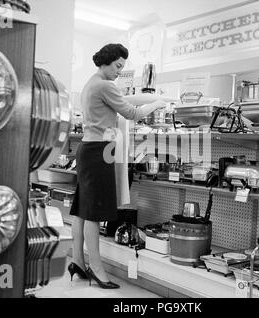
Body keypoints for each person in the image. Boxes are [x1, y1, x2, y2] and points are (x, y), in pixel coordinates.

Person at [67, 43, 166, 289]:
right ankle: (97, 269)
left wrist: (152, 96)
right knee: (93, 213)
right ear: (107, 61)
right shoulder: (105, 84)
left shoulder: (92, 83)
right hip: (101, 151)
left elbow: (123, 99)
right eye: (118, 66)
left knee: (82, 208)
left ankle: (78, 261)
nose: (119, 72)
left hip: (87, 150)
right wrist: (158, 104)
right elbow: (132, 113)